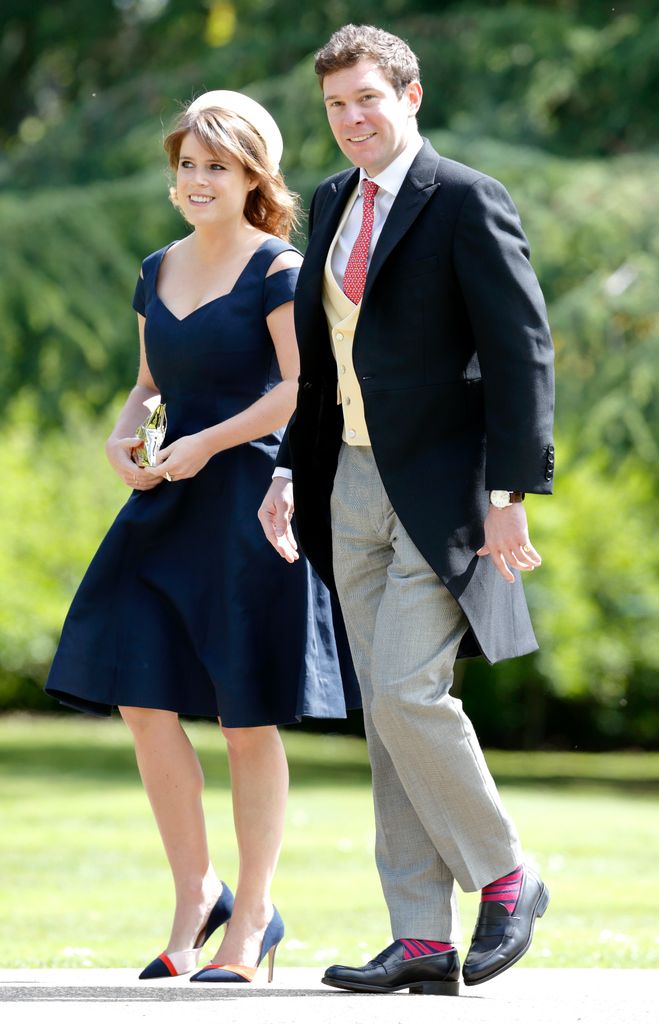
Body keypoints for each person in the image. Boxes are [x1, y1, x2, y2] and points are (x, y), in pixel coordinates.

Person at [259, 24, 555, 995]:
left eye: (366, 101)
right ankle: (421, 937)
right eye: (335, 106)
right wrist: (286, 472)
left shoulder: (465, 200)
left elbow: (520, 353)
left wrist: (508, 495)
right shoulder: (333, 203)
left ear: (409, 95)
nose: (350, 121)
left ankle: (507, 874)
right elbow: (321, 361)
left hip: (442, 494)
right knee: (382, 720)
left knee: (403, 692)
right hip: (344, 482)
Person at [46, 90, 359, 985]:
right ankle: (198, 892)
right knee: (141, 695)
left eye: (216, 166)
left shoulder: (279, 269)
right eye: (187, 164)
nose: (196, 180)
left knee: (243, 716)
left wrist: (208, 444)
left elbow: (298, 389)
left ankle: (253, 916)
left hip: (250, 506)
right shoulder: (158, 268)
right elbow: (149, 383)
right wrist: (124, 437)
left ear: (253, 174)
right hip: (166, 504)